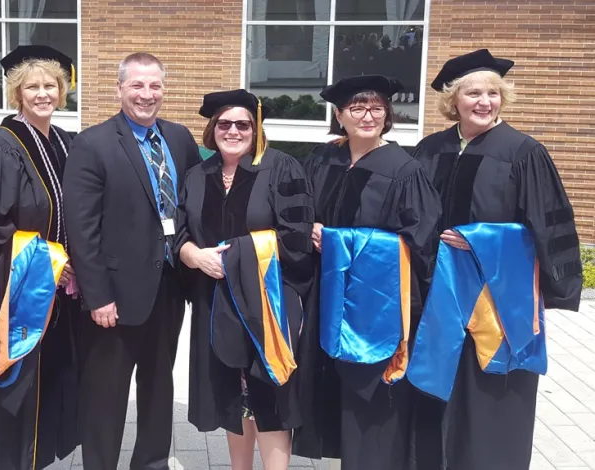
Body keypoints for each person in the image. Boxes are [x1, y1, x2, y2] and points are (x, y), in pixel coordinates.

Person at [407, 48, 582, 470]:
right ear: (454, 102)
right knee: (436, 388)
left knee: (492, 392)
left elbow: (547, 226)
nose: (484, 102)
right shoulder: (430, 149)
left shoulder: (524, 152)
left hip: (496, 299)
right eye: (473, 94)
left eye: (492, 93)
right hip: (437, 295)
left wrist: (482, 239)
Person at [63, 52, 201, 470]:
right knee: (106, 394)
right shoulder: (93, 143)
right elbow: (82, 229)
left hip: (170, 287)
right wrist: (98, 295)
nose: (146, 94)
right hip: (116, 299)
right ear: (120, 88)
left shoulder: (179, 139)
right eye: (137, 85)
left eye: (155, 85)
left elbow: (191, 210)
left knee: (159, 386)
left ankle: (153, 462)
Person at [301, 74, 441, 470]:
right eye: (357, 108)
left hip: (378, 302)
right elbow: (299, 213)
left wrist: (338, 241)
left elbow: (421, 239)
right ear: (339, 115)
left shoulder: (404, 169)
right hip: (326, 294)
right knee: (332, 385)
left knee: (375, 392)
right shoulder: (323, 159)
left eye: (376, 107)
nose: (367, 115)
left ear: (388, 115)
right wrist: (307, 228)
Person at [176, 89, 313, 470]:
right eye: (224, 123)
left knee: (269, 394)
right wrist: (191, 254)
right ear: (212, 129)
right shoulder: (198, 175)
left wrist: (235, 257)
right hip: (215, 302)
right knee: (232, 395)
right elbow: (180, 231)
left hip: (268, 302)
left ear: (256, 129)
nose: (233, 130)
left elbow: (297, 239)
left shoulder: (282, 168)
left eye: (243, 124)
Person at [0, 44, 80, 470]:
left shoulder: (64, 142)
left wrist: (74, 266)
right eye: (32, 86)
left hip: (60, 287)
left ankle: (36, 460)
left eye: (50, 85)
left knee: (47, 380)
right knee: (15, 384)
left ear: (62, 90)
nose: (42, 93)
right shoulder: (2, 146)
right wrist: (52, 264)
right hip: (19, 289)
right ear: (17, 93)